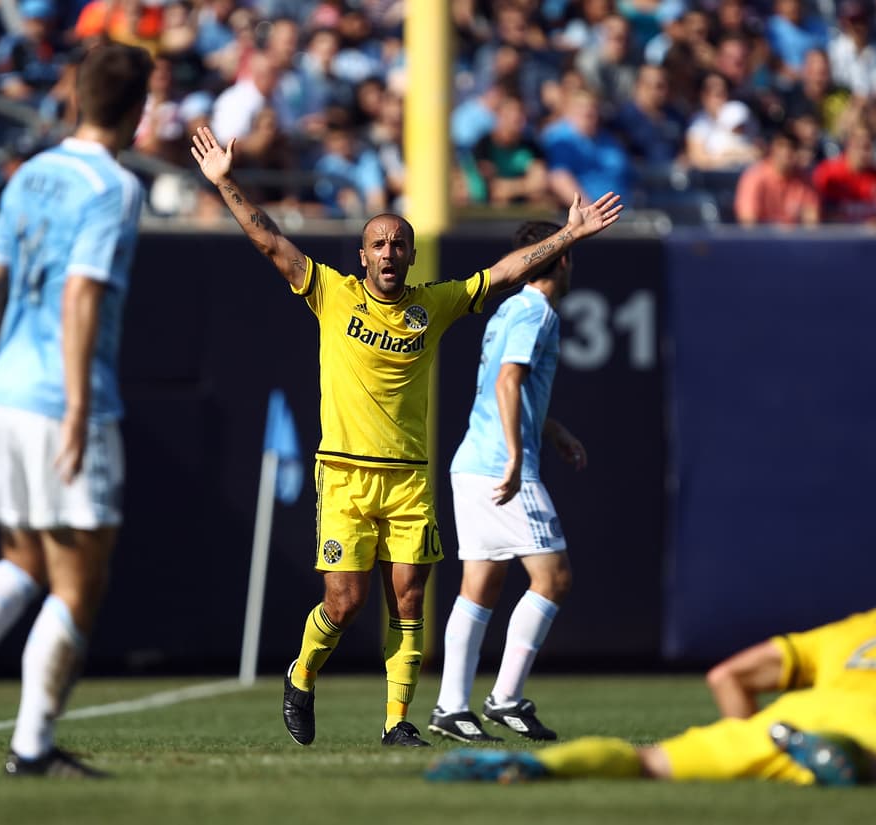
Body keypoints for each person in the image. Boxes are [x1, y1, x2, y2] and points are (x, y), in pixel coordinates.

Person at [189, 125, 622, 748]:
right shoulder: (331, 293)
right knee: (344, 602)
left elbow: (503, 273)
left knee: (410, 598)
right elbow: (269, 240)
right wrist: (225, 181)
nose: (389, 252)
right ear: (362, 256)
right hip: (345, 475)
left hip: (408, 478)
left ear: (412, 257)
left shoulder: (433, 304)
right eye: (379, 244)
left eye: (399, 244)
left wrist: (570, 234)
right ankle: (301, 674)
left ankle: (397, 721)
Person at [0, 42, 155, 780]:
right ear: (138, 111)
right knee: (80, 581)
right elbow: (81, 293)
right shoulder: (114, 186)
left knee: (22, 561)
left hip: (8, 393)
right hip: (62, 399)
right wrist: (77, 405)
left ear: (75, 95)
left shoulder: (31, 172)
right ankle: (33, 748)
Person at [427, 520, 876, 786]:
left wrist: (752, 737)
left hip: (785, 720)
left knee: (648, 763)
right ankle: (836, 760)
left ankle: (540, 767)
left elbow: (730, 673)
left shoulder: (859, 626)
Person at [427, 220, 587, 745]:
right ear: (563, 260)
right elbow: (506, 380)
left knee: (481, 585)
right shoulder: (536, 311)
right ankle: (506, 697)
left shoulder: (508, 309)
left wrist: (552, 429)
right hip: (499, 464)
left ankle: (452, 706)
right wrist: (518, 456)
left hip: (472, 462)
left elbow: (509, 386)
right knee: (554, 578)